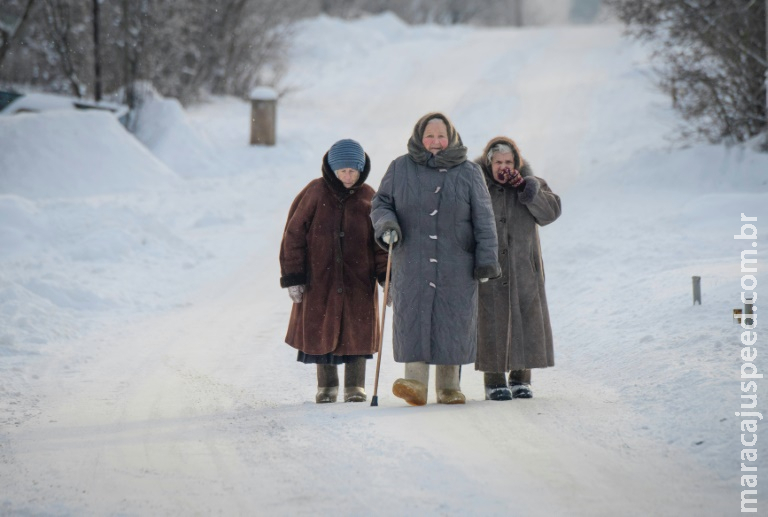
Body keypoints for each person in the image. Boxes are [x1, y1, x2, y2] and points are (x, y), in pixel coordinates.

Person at [370, 113, 500, 406]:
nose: (436, 142)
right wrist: (387, 225)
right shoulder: (400, 167)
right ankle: (415, 383)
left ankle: (449, 387)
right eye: (430, 136)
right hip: (412, 260)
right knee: (413, 318)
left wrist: (486, 259)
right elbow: (381, 203)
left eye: (441, 136)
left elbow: (484, 219)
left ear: (451, 138)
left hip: (457, 263)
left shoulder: (468, 172)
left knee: (453, 321)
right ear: (419, 137)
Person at [280, 139, 388, 403]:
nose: (348, 176)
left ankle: (355, 386)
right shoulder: (315, 193)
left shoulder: (369, 197)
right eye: (343, 171)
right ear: (332, 169)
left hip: (359, 281)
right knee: (322, 330)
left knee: (357, 333)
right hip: (320, 280)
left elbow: (381, 245)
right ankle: (326, 386)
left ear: (361, 170)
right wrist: (294, 276)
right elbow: (293, 236)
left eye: (353, 171)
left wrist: (387, 277)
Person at [474, 136, 561, 400]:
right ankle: (494, 380)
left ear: (517, 163)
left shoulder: (531, 184)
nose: (503, 166)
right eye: (498, 162)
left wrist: (526, 188)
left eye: (508, 161)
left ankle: (522, 379)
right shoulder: (476, 186)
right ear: (489, 164)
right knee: (491, 322)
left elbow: (550, 213)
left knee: (525, 319)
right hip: (489, 267)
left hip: (524, 267)